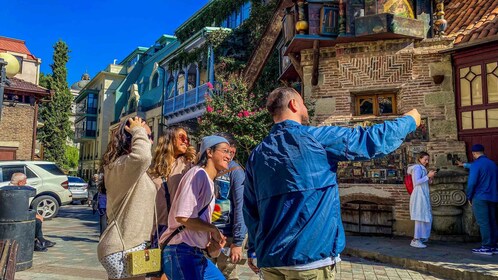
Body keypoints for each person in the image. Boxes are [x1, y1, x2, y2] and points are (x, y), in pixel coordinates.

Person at [244, 87, 420, 279]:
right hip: (310, 261)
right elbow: (369, 140)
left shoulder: (257, 155)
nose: (305, 108)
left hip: (271, 262)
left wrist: (253, 250)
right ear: (294, 104)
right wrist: (410, 120)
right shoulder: (317, 139)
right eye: (303, 103)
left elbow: (251, 211)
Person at [160, 135, 231, 280]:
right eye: (224, 151)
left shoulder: (209, 181)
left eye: (230, 152)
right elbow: (183, 217)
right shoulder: (198, 174)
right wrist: (213, 229)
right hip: (181, 251)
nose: (228, 156)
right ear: (209, 152)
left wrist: (211, 241)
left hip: (194, 252)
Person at [97, 116, 156, 280]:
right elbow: (143, 157)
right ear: (132, 139)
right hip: (126, 246)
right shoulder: (122, 165)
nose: (150, 141)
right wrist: (139, 130)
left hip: (126, 245)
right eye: (148, 136)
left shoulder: (125, 167)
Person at [148, 127, 196, 280]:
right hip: (157, 230)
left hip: (179, 230)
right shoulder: (152, 169)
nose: (186, 140)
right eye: (181, 137)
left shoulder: (189, 166)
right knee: (156, 276)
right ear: (169, 139)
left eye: (187, 138)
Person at [210, 132, 247, 279]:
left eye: (229, 151)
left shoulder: (235, 171)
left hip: (228, 236)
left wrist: (238, 241)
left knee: (228, 275)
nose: (228, 154)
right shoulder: (207, 169)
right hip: (208, 234)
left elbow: (241, 206)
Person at [9, 172, 56, 252]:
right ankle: (38, 241)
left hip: (17, 215)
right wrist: (34, 215)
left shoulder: (13, 189)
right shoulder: (14, 192)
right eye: (25, 181)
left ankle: (40, 240)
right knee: (36, 220)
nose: (26, 183)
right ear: (20, 182)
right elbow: (17, 210)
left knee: (36, 218)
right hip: (13, 218)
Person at [466, 144, 498, 255]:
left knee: (483, 222)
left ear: (474, 154)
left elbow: (472, 183)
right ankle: (494, 245)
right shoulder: (492, 164)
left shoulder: (476, 164)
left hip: (480, 197)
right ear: (483, 152)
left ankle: (487, 246)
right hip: (493, 196)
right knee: (492, 221)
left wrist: (469, 196)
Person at [408, 152, 436, 248]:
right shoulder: (417, 168)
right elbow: (416, 182)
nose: (427, 161)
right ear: (419, 159)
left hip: (423, 193)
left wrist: (430, 178)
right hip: (419, 194)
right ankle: (415, 239)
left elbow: (425, 182)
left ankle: (422, 237)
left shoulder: (423, 168)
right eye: (425, 159)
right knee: (420, 216)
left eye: (428, 159)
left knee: (425, 216)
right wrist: (427, 176)